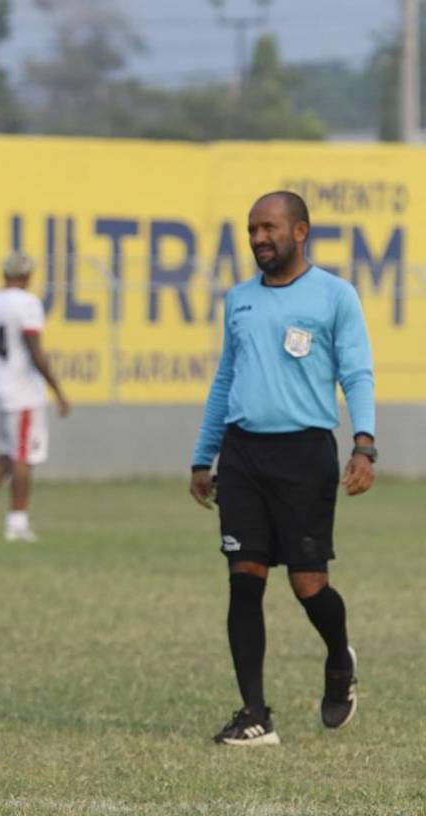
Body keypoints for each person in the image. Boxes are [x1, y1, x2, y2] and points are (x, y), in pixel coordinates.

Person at [191, 191, 374, 746]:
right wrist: (205, 455)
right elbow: (225, 379)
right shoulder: (239, 300)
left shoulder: (335, 296)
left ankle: (339, 662)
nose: (258, 238)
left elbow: (357, 373)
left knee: (308, 583)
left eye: (268, 227)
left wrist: (364, 445)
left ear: (300, 231)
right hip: (244, 454)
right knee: (243, 581)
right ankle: (254, 715)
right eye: (251, 230)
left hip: (305, 455)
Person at [0, 252, 70, 542]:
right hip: (20, 388)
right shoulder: (27, 303)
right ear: (27, 276)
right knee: (24, 455)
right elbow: (34, 350)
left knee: (10, 449)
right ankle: (17, 522)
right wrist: (58, 390)